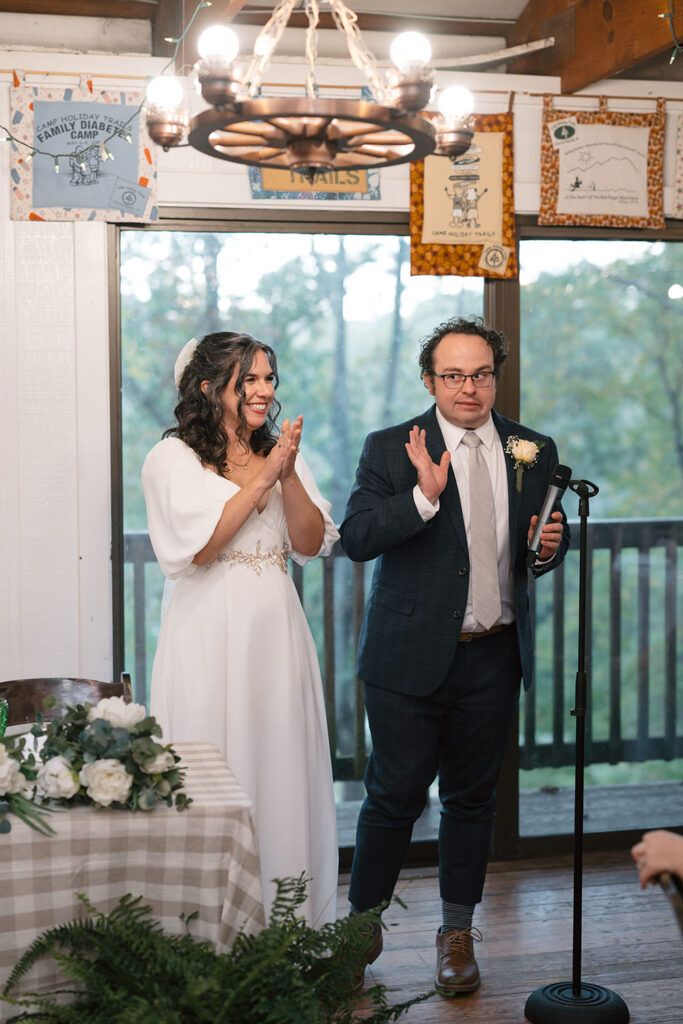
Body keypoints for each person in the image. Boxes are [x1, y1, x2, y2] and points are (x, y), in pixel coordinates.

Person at [340, 315, 570, 996]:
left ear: (494, 376)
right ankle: (361, 926)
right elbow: (355, 537)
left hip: (493, 656)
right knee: (392, 797)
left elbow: (531, 549)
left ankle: (456, 934)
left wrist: (548, 551)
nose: (468, 387)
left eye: (480, 374)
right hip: (406, 658)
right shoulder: (390, 447)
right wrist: (422, 497)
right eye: (452, 375)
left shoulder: (533, 447)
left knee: (471, 802)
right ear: (428, 379)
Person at [142, 331, 339, 927]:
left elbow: (309, 542)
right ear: (208, 387)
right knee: (214, 765)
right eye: (247, 379)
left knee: (281, 764)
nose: (263, 390)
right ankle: (209, 930)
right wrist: (263, 474)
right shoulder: (171, 457)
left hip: (275, 632)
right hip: (205, 634)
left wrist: (286, 472)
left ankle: (289, 924)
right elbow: (200, 549)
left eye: (268, 378)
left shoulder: (280, 454)